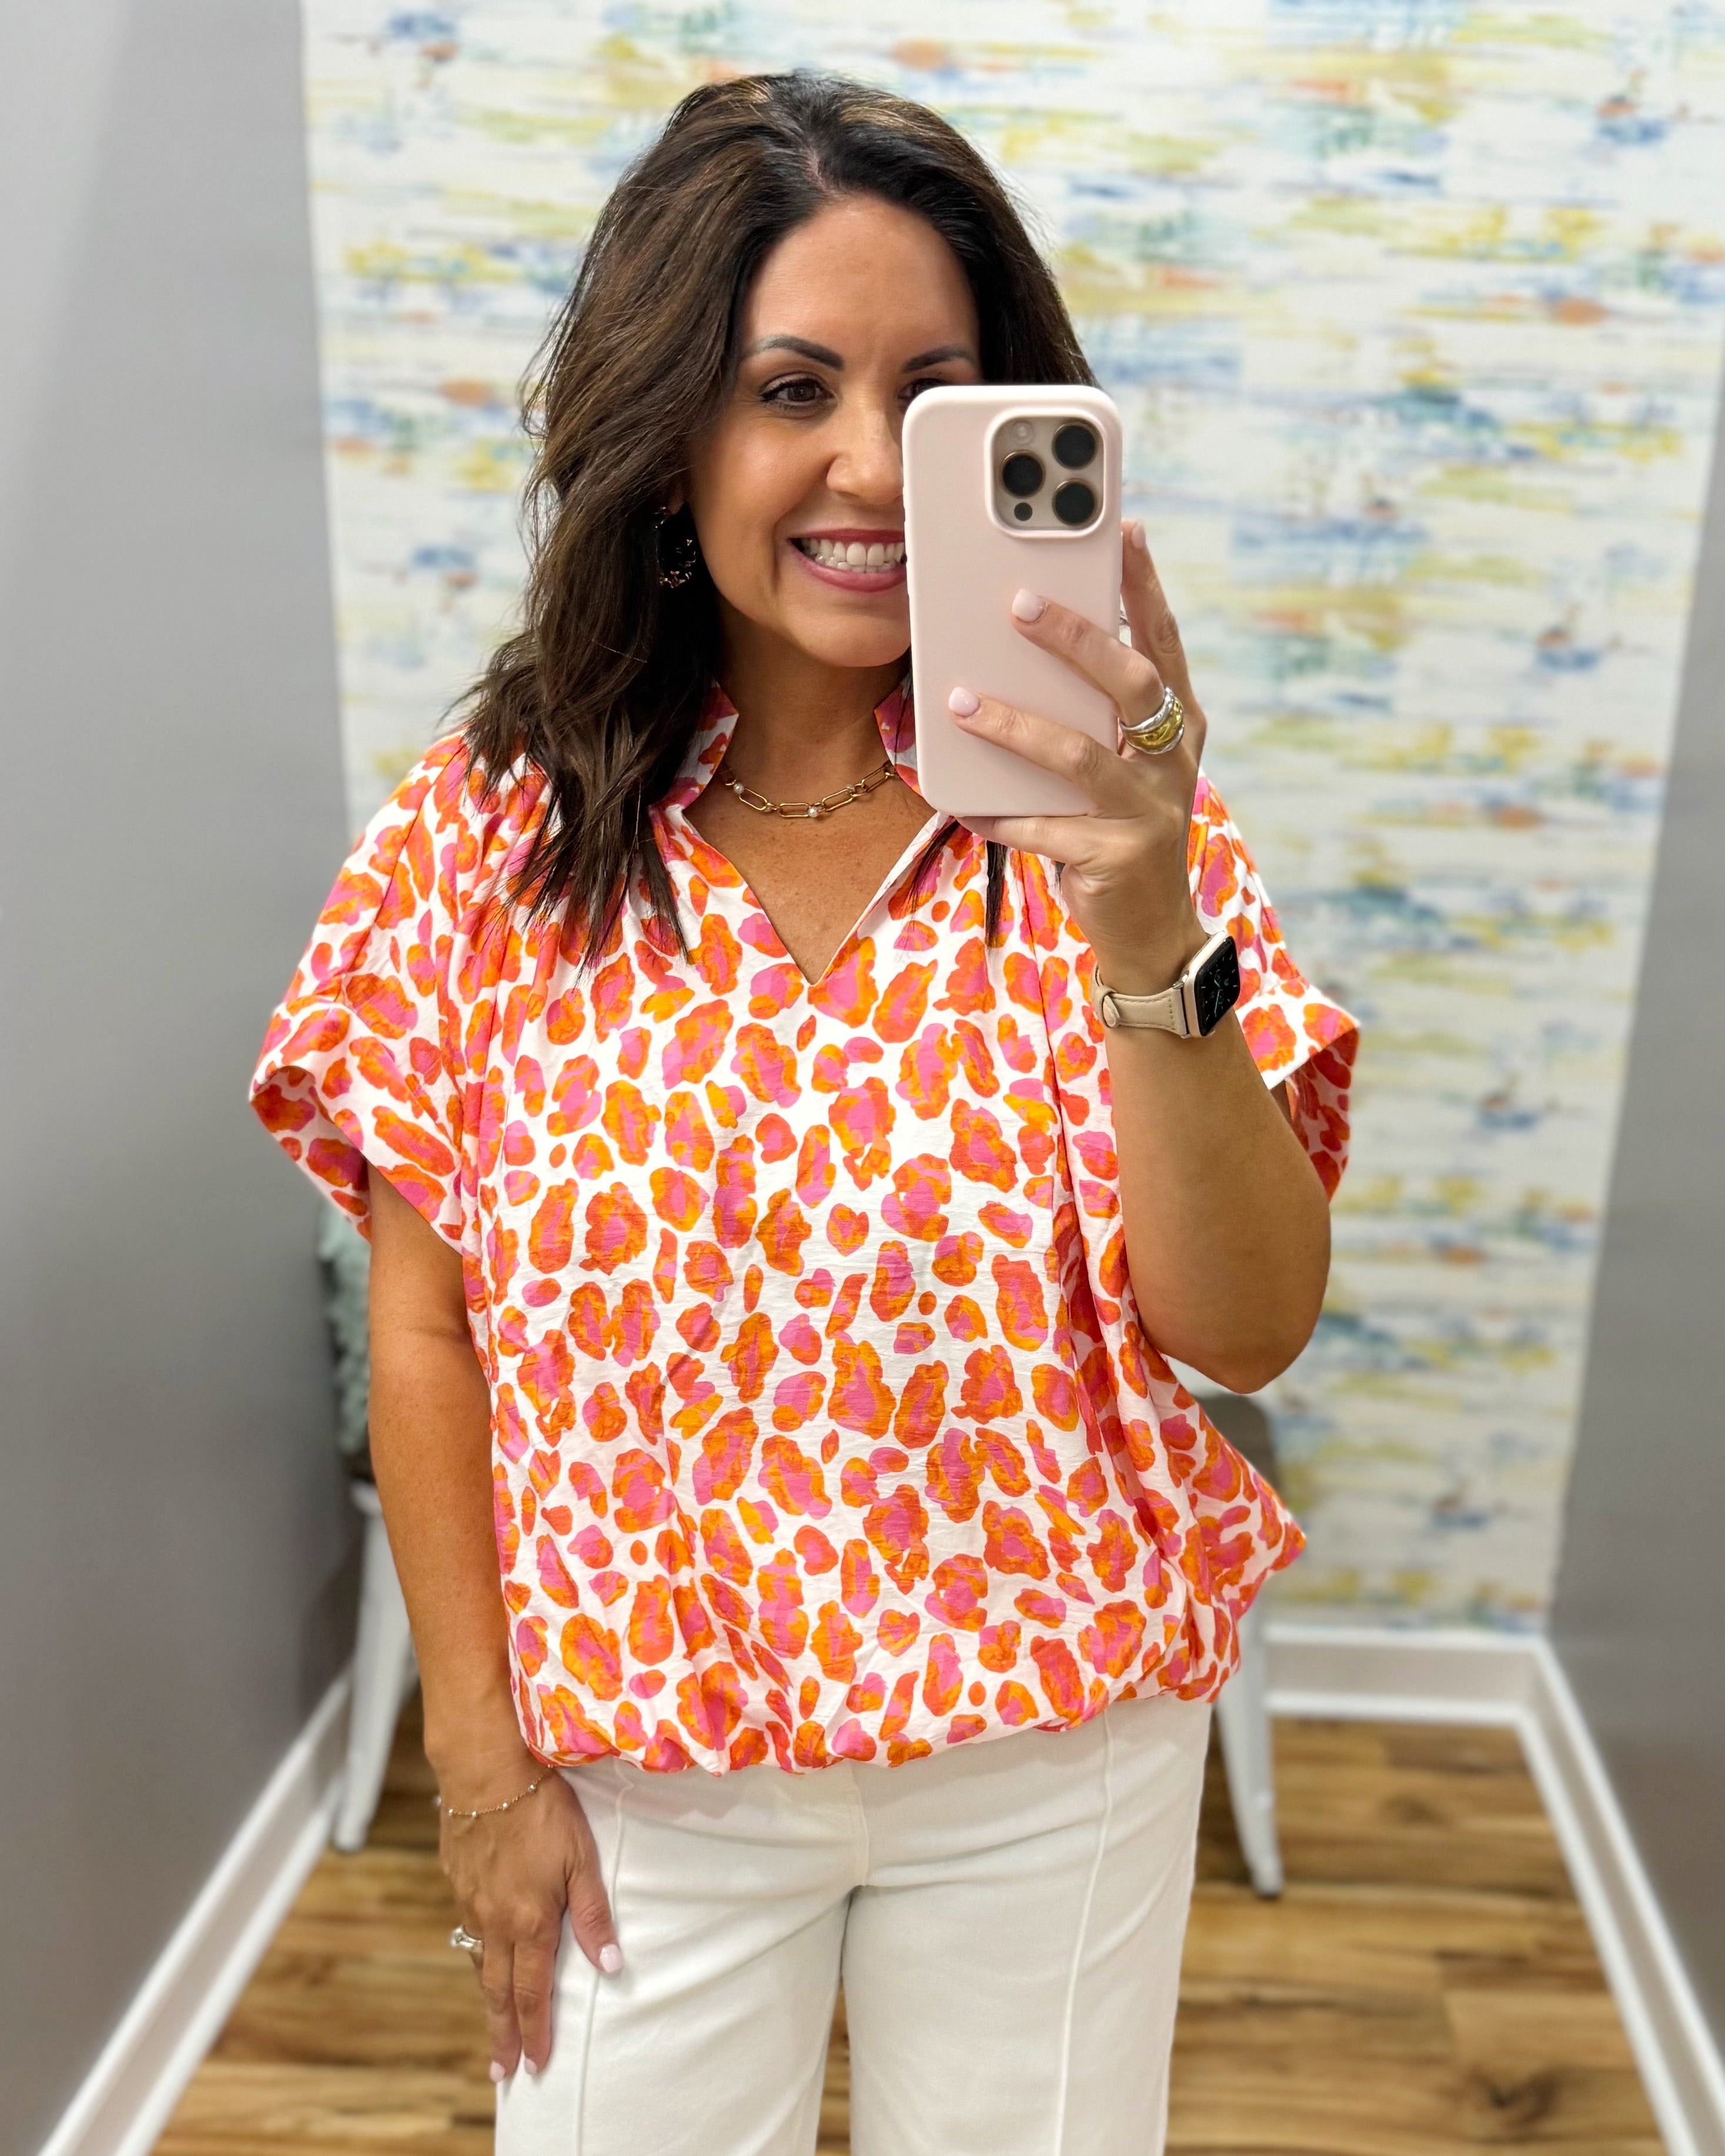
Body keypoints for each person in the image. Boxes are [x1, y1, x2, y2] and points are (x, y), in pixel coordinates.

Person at [253, 71, 1356, 2156]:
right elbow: (427, 1330)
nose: (866, 464)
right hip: (636, 1773)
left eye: (936, 394)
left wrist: (1141, 900)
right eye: (792, 387)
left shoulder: (1113, 820)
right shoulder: (490, 834)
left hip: (1058, 1751)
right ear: (676, 444)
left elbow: (1246, 1330)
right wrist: (475, 1764)